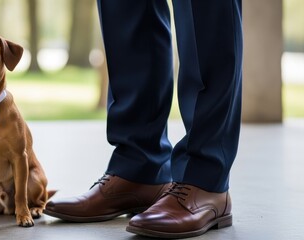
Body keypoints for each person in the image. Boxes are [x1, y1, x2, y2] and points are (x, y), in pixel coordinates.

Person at [43, 0, 242, 238]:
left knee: (203, 11)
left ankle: (206, 178)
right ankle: (139, 167)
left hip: (206, 175)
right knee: (125, 8)